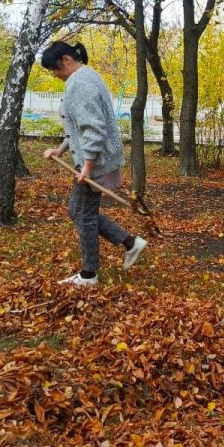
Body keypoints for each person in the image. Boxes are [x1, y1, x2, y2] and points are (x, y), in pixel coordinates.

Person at [40, 41, 146, 286]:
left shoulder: (80, 84)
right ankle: (130, 243)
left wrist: (87, 166)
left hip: (95, 162)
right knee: (80, 212)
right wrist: (61, 148)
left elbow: (92, 129)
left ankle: (89, 274)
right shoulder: (87, 76)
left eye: (54, 69)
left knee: (82, 214)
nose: (54, 75)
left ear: (66, 60)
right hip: (96, 159)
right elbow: (78, 128)